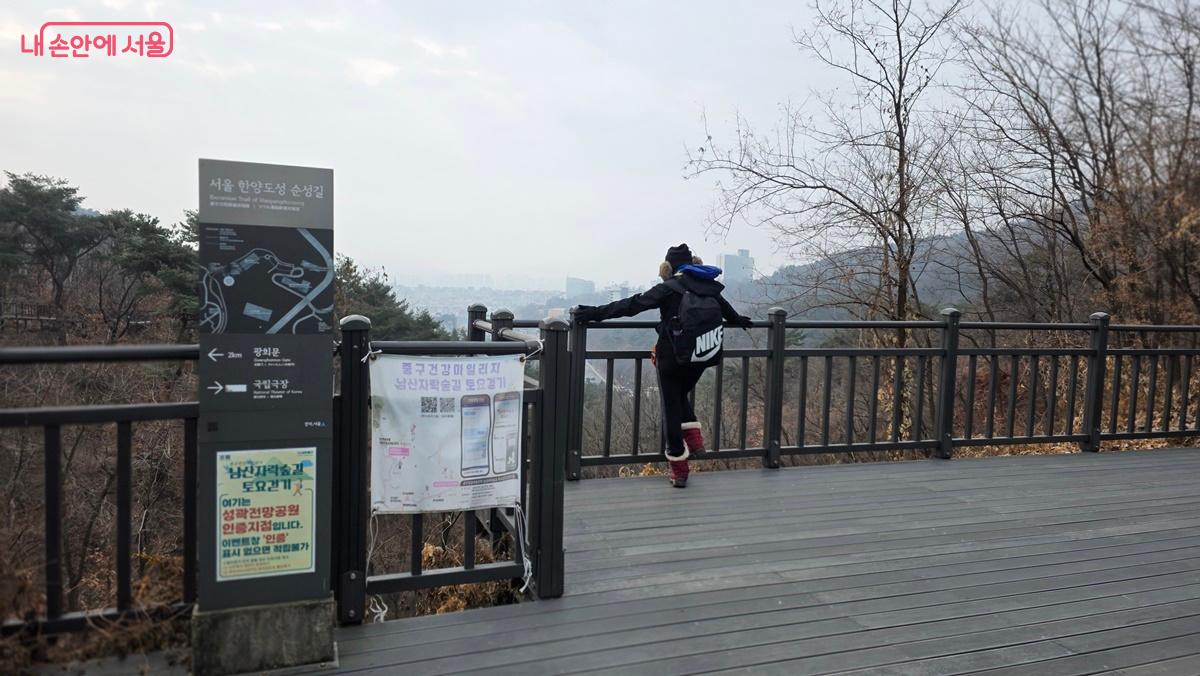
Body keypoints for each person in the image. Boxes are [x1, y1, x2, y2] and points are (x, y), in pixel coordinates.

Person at [573, 244, 753, 488]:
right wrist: (741, 321)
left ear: (667, 268)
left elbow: (630, 305)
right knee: (680, 396)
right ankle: (696, 441)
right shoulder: (709, 287)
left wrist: (593, 313)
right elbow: (729, 314)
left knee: (671, 407)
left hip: (672, 356)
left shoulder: (668, 288)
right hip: (702, 355)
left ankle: (680, 468)